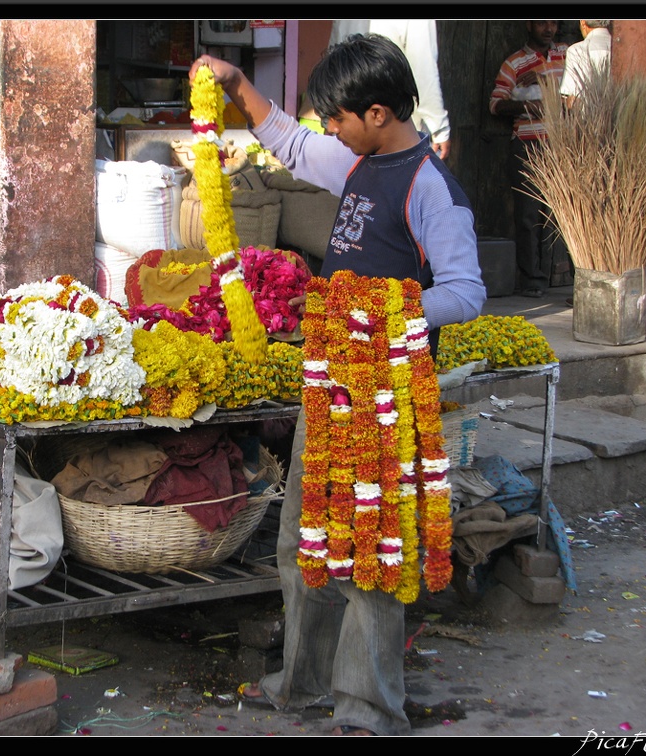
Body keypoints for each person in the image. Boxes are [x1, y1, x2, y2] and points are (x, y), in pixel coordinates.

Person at [190, 33, 485, 737]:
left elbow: (467, 293)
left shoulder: (430, 188)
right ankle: (302, 684)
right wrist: (236, 89)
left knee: (369, 562)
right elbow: (290, 142)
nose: (329, 127)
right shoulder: (360, 160)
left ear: (377, 113)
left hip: (384, 402)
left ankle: (367, 708)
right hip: (330, 389)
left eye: (339, 116)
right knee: (300, 544)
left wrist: (376, 311)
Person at [489, 20, 569, 298]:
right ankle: (532, 280)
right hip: (528, 146)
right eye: (542, 23)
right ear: (528, 25)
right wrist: (527, 106)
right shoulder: (514, 63)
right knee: (528, 215)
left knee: (561, 215)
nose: (549, 28)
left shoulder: (567, 55)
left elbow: (580, 91)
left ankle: (559, 275)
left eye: (553, 23)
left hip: (563, 146)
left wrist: (544, 80)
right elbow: (496, 103)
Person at [330, 19, 451, 159]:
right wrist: (439, 127)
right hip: (394, 133)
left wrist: (331, 116)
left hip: (349, 128)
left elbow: (332, 63)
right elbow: (423, 71)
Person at [559, 20, 612, 107]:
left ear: (583, 22)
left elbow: (573, 100)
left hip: (588, 118)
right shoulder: (621, 49)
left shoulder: (576, 50)